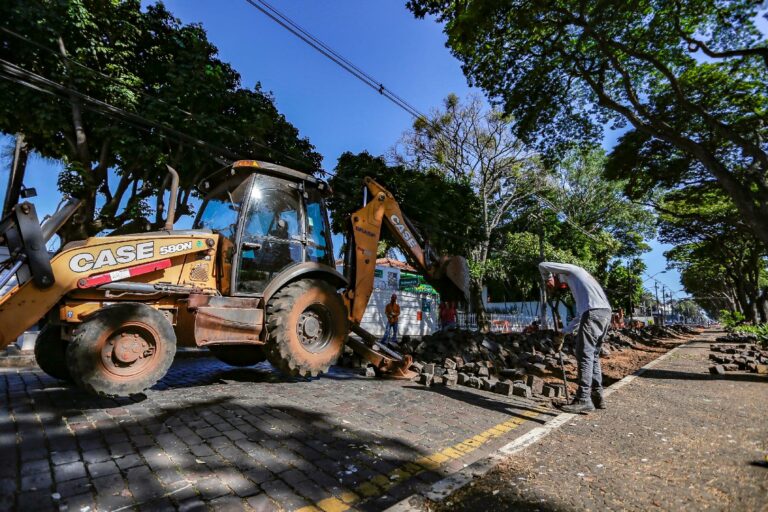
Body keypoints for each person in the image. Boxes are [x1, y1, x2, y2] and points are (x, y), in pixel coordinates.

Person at [539, 262, 612, 413]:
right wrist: (564, 332)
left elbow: (542, 265)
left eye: (559, 284)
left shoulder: (574, 270)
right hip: (604, 313)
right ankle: (597, 396)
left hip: (593, 313)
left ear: (558, 275)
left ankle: (584, 399)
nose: (562, 287)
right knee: (593, 356)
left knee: (584, 355)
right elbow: (580, 315)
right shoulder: (582, 285)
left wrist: (548, 278)